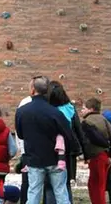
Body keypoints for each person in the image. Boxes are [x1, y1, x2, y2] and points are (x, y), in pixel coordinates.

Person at [15, 75, 74, 204]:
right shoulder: (55, 112)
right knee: (61, 193)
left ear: (32, 90)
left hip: (34, 158)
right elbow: (67, 133)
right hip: (54, 159)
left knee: (33, 193)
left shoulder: (22, 111)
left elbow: (20, 134)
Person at [45, 81, 86, 204]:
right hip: (68, 152)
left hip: (49, 151)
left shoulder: (47, 109)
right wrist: (84, 152)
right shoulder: (70, 108)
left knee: (49, 186)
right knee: (65, 184)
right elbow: (79, 131)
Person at [82, 98, 111, 204]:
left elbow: (86, 141)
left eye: (84, 108)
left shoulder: (87, 121)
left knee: (96, 185)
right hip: (104, 156)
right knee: (98, 184)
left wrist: (85, 156)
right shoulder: (104, 120)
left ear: (90, 109)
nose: (82, 110)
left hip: (96, 156)